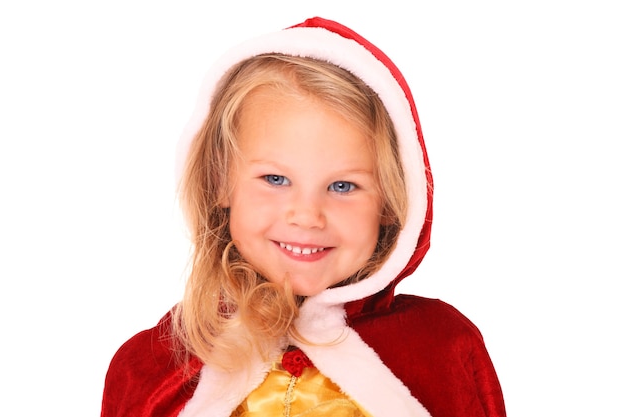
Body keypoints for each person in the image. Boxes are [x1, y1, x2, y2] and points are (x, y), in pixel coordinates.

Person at [101, 17, 506, 417]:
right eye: (275, 179)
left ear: (391, 200)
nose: (308, 216)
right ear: (220, 181)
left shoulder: (443, 348)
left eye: (343, 186)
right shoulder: (152, 367)